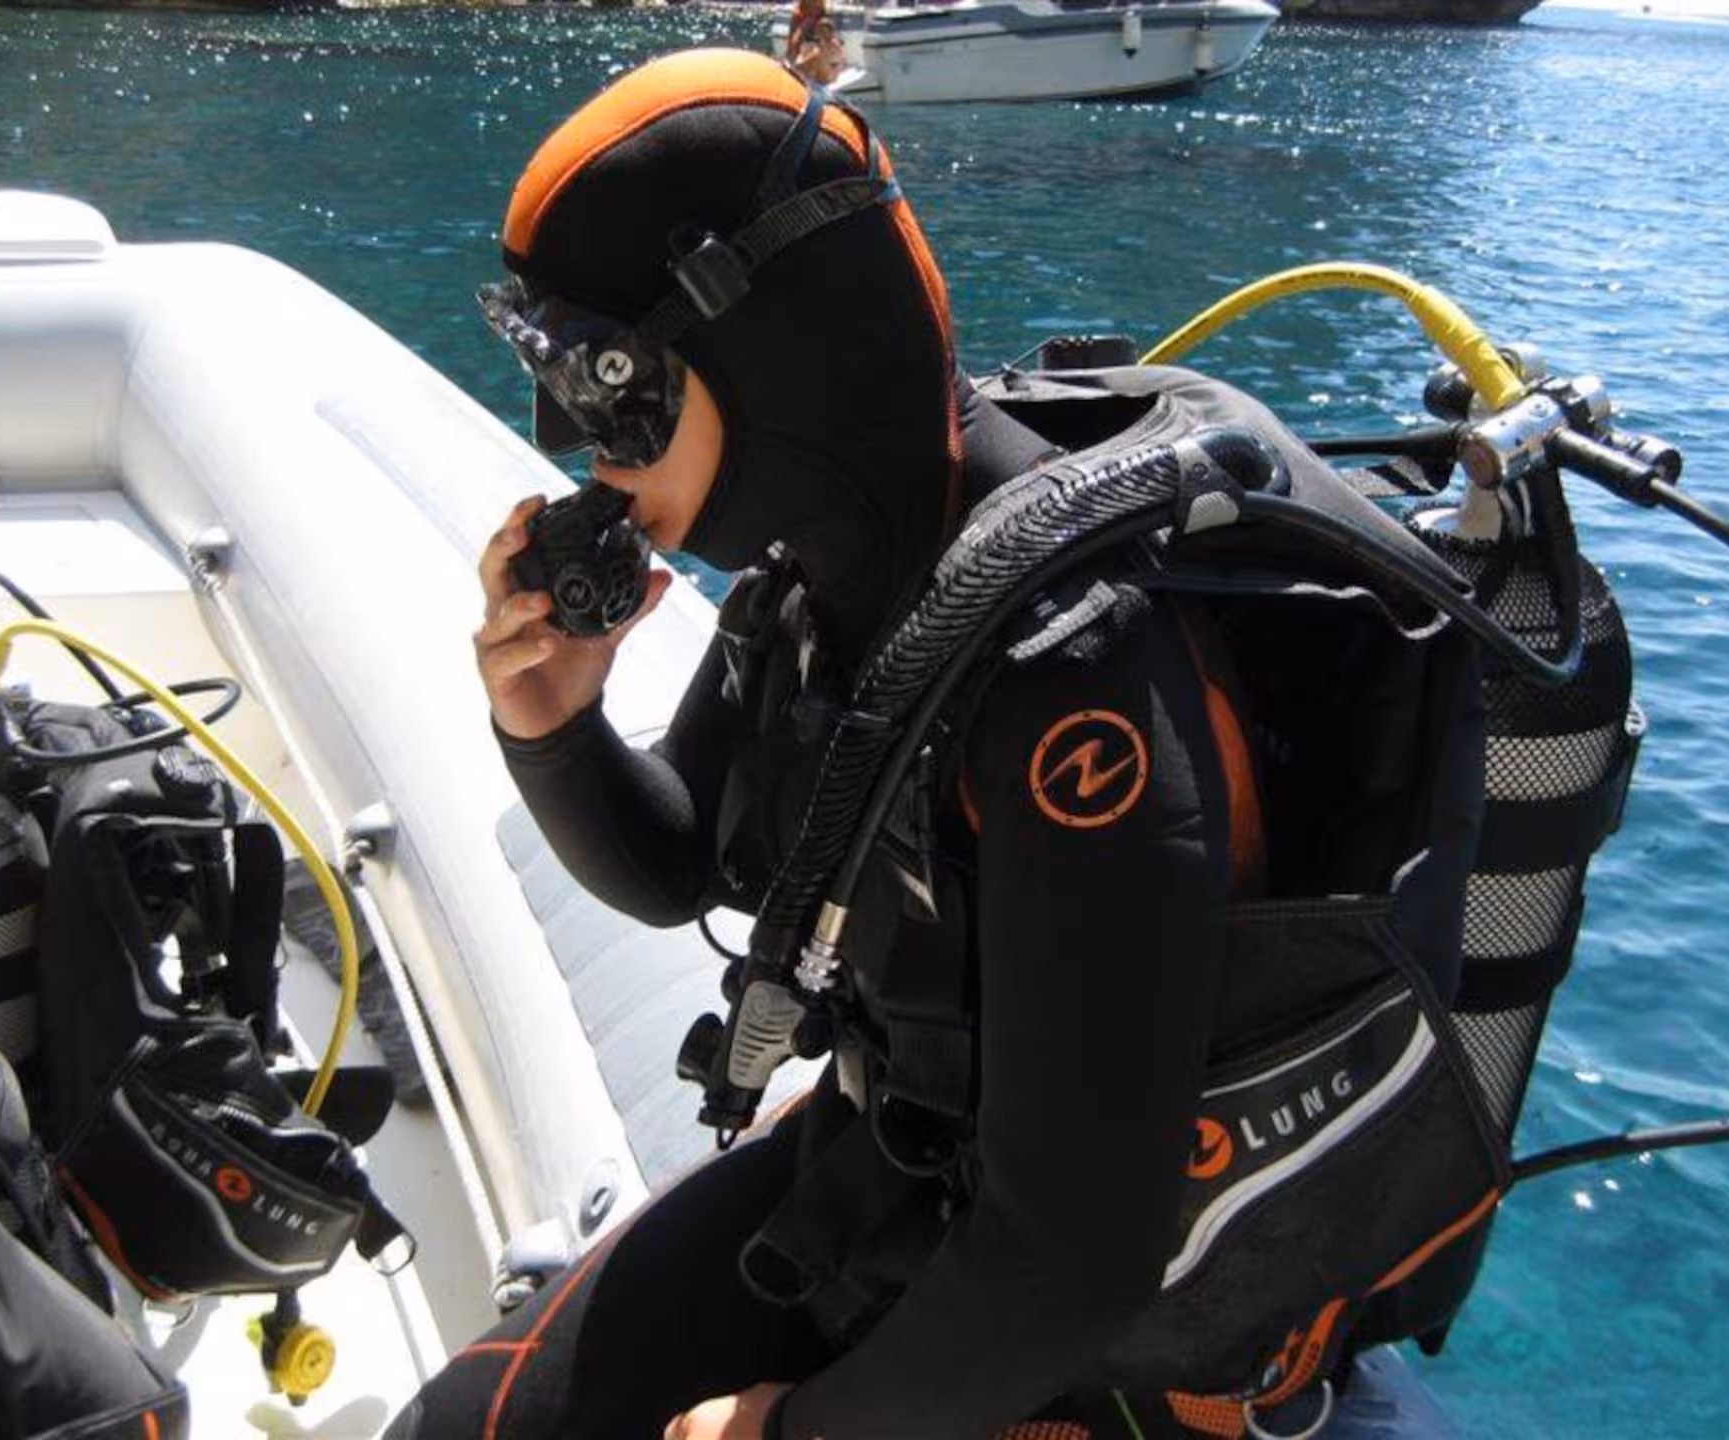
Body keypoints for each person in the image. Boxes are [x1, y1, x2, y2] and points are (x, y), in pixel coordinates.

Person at [388, 47, 1491, 1440]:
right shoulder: (829, 574)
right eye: (552, 371)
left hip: (1108, 1345)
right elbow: (681, 862)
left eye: (613, 382)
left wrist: (788, 1434)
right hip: (896, 1181)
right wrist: (553, 725)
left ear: (766, 345)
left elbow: (1079, 1258)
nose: (575, 439)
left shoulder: (1068, 675)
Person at [785, 0, 846, 85]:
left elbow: (834, 48)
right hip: (806, 67)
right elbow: (792, 47)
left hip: (825, 68)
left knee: (818, 54)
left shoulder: (825, 18)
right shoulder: (798, 16)